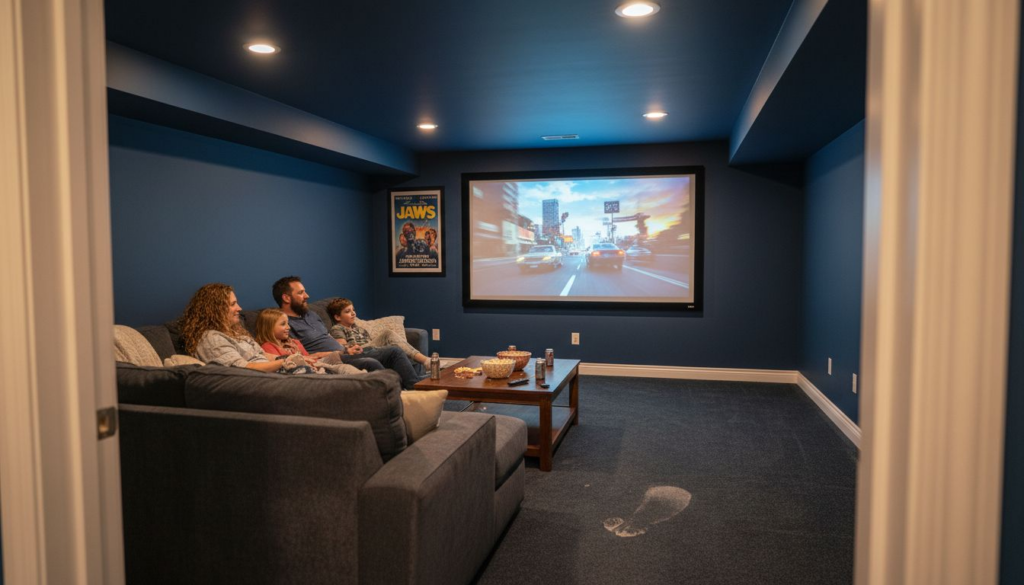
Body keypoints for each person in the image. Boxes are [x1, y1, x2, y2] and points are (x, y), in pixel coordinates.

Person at [271, 276, 425, 389]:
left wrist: (347, 348)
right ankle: (399, 395)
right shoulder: (283, 324)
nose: (307, 296)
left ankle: (416, 390)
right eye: (301, 293)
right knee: (371, 362)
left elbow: (328, 337)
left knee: (394, 351)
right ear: (286, 298)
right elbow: (300, 355)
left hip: (346, 351)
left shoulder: (311, 314)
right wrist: (340, 352)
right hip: (331, 359)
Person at [179, 283, 294, 372]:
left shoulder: (235, 333)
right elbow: (243, 369)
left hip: (275, 374)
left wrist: (292, 358)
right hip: (260, 380)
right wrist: (284, 363)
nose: (239, 308)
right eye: (233, 304)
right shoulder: (211, 338)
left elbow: (262, 355)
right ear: (216, 309)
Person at [253, 308, 364, 375]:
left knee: (345, 367)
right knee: (341, 368)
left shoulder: (294, 342)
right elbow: (281, 367)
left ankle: (365, 378)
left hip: (317, 364)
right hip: (306, 372)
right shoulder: (267, 347)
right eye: (283, 324)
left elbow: (310, 358)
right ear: (269, 328)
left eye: (287, 323)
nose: (288, 327)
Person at [326, 298, 431, 366]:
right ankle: (425, 361)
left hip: (371, 350)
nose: (353, 313)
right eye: (348, 311)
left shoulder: (359, 328)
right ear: (338, 317)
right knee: (387, 334)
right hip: (359, 352)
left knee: (395, 347)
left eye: (353, 310)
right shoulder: (337, 328)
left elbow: (371, 342)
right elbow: (342, 347)